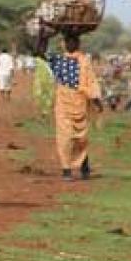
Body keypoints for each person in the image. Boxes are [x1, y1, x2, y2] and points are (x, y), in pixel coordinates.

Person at [35, 30, 103, 181]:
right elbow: (39, 53)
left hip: (80, 102)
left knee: (81, 138)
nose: (70, 44)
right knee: (65, 137)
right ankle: (66, 170)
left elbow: (91, 81)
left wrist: (97, 100)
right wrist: (43, 36)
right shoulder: (58, 60)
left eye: (73, 42)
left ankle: (84, 166)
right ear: (64, 44)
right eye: (68, 41)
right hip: (63, 102)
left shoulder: (84, 61)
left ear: (78, 44)